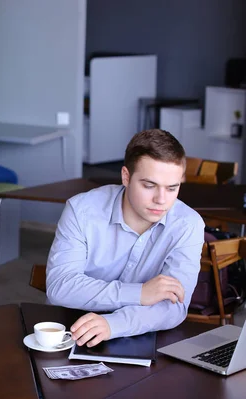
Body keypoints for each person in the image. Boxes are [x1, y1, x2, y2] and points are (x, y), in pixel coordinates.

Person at [46, 129, 204, 347]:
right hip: (71, 330)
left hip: (141, 336)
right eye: (149, 185)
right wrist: (140, 293)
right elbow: (60, 286)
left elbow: (174, 306)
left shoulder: (188, 224)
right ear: (126, 177)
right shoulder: (81, 210)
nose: (161, 199)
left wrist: (114, 324)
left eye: (172, 188)